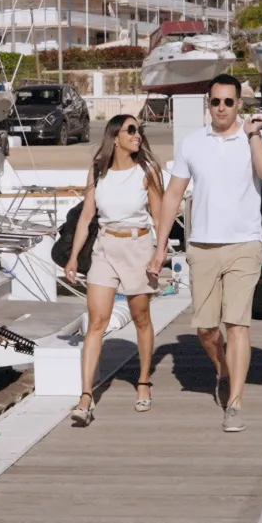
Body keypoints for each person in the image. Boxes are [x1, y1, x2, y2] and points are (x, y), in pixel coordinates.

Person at [150, 74, 262, 432]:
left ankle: (234, 401)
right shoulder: (192, 143)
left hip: (245, 244)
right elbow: (173, 195)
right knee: (206, 328)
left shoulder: (256, 137)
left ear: (239, 103)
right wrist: (160, 248)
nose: (221, 108)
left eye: (228, 101)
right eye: (215, 102)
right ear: (208, 104)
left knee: (237, 324)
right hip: (202, 246)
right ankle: (222, 369)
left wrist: (253, 134)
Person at [63, 113, 165, 427]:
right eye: (131, 129)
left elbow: (160, 218)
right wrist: (73, 257)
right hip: (105, 247)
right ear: (115, 136)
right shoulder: (97, 171)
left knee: (141, 318)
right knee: (97, 322)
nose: (137, 134)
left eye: (139, 129)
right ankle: (85, 396)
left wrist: (159, 254)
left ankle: (144, 381)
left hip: (137, 246)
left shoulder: (147, 171)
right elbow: (86, 217)